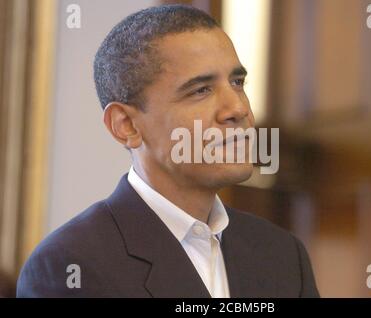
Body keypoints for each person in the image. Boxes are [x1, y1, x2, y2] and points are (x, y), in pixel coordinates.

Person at [17, 4, 319, 298]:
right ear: (126, 125)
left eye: (237, 82)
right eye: (201, 90)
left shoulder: (283, 256)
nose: (238, 108)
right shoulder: (69, 265)